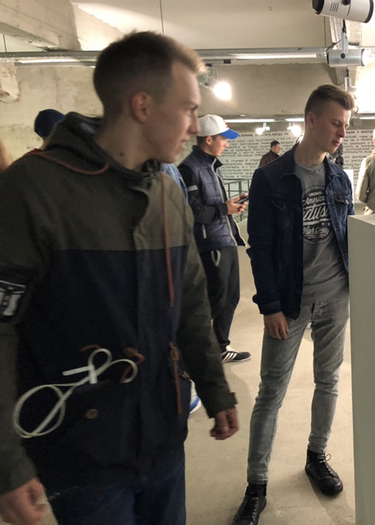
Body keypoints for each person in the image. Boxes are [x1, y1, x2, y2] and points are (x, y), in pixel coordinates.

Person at [0, 31, 240, 525]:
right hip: (79, 457)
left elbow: (192, 303)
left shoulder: (167, 194)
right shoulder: (32, 189)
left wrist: (214, 388)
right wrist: (7, 462)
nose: (194, 126)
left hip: (163, 439)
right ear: (142, 106)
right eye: (188, 109)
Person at [232, 84, 354, 525]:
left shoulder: (340, 178)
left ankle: (316, 456)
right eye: (336, 123)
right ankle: (256, 485)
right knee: (271, 391)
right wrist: (270, 306)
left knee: (328, 380)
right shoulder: (271, 178)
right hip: (289, 301)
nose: (342, 132)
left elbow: (347, 238)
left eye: (346, 125)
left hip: (335, 296)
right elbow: (260, 247)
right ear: (311, 120)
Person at [178, 114, 251, 364]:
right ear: (208, 139)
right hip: (210, 243)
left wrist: (229, 207)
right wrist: (223, 209)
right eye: (223, 138)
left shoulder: (210, 167)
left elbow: (212, 205)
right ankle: (193, 350)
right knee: (215, 298)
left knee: (230, 296)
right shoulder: (189, 169)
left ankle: (219, 346)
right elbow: (192, 210)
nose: (226, 144)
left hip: (225, 239)